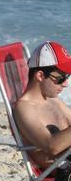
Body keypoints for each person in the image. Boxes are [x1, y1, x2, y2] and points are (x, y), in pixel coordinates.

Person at [14, 41, 71, 169]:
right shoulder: (24, 108)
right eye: (60, 78)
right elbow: (52, 146)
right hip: (63, 168)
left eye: (67, 76)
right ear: (40, 75)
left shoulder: (53, 99)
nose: (66, 84)